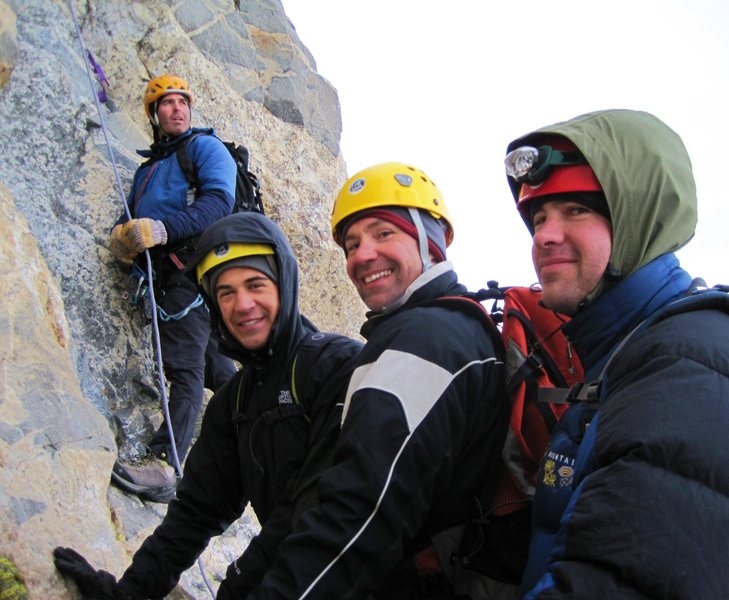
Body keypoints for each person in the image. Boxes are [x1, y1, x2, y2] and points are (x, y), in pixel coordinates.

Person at [502, 109, 729, 598]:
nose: (544, 236)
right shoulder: (632, 354)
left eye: (576, 210)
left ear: (639, 221)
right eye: (539, 217)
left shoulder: (691, 370)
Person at [227, 162, 509, 599]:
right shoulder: (448, 326)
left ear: (430, 242)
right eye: (351, 244)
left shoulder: (422, 341)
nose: (362, 256)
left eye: (383, 233)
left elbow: (359, 511)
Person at [54, 211, 364, 599]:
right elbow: (194, 514)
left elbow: (321, 511)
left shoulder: (338, 367)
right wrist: (129, 593)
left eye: (255, 284)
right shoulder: (234, 404)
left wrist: (237, 585)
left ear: (284, 286)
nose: (243, 304)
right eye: (226, 292)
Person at [109, 74, 238, 502]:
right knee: (221, 372)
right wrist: (122, 238)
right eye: (166, 103)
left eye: (182, 101)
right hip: (168, 280)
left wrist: (162, 230)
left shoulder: (204, 147)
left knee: (184, 368)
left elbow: (220, 203)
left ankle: (167, 466)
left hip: (193, 272)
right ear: (154, 114)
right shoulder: (148, 170)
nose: (177, 108)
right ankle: (263, 428)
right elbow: (133, 220)